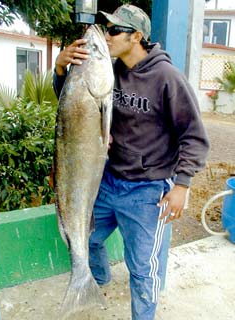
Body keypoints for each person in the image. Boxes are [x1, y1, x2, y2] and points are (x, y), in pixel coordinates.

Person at [53, 4, 209, 320]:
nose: (107, 35)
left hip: (147, 190)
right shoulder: (111, 69)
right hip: (108, 181)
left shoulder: (167, 78)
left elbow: (194, 135)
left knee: (141, 268)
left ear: (136, 36)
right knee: (87, 239)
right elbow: (73, 105)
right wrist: (60, 69)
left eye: (114, 31)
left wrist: (182, 185)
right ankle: (95, 281)